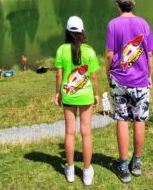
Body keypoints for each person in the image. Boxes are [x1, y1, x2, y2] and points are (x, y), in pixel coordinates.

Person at [105, 0, 153, 183]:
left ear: (117, 5)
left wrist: (108, 72)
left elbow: (110, 54)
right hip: (141, 80)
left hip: (119, 80)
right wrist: (149, 76)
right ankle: (137, 163)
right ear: (133, 4)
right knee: (140, 119)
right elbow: (149, 54)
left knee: (122, 119)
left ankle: (124, 166)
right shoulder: (143, 23)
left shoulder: (113, 24)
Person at [54, 15, 100, 186]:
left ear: (67, 31)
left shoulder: (61, 50)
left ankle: (70, 170)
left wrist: (57, 93)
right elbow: (94, 77)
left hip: (68, 95)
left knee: (69, 132)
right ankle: (87, 172)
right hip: (86, 95)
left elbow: (59, 75)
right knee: (86, 133)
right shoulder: (89, 51)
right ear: (82, 32)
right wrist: (96, 94)